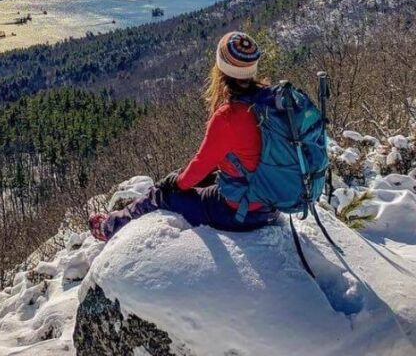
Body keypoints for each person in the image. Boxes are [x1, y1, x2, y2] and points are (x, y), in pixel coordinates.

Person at [89, 31, 278, 241]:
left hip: (241, 213)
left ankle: (109, 227)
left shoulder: (228, 116)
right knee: (186, 180)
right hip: (271, 202)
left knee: (162, 194)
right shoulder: (270, 101)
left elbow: (199, 167)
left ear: (221, 69)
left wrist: (174, 183)